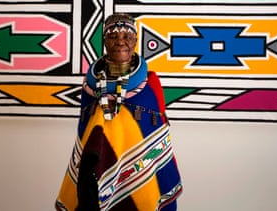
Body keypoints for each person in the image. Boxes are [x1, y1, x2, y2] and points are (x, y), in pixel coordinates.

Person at [55, 13, 182, 211]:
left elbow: (158, 139)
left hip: (142, 172)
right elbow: (86, 134)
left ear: (136, 41)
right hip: (96, 170)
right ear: (104, 41)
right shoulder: (91, 87)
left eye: (127, 37)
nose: (120, 42)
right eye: (113, 36)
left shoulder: (151, 86)